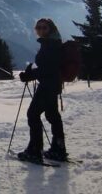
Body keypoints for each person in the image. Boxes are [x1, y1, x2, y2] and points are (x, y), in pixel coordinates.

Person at [17, 18, 67, 162]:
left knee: (32, 114)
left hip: (47, 86)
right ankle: (59, 149)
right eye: (38, 28)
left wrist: (30, 75)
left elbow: (48, 69)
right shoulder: (52, 43)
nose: (40, 30)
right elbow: (47, 67)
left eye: (44, 28)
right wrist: (32, 73)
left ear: (51, 29)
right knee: (52, 115)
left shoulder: (51, 45)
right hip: (52, 85)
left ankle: (34, 150)